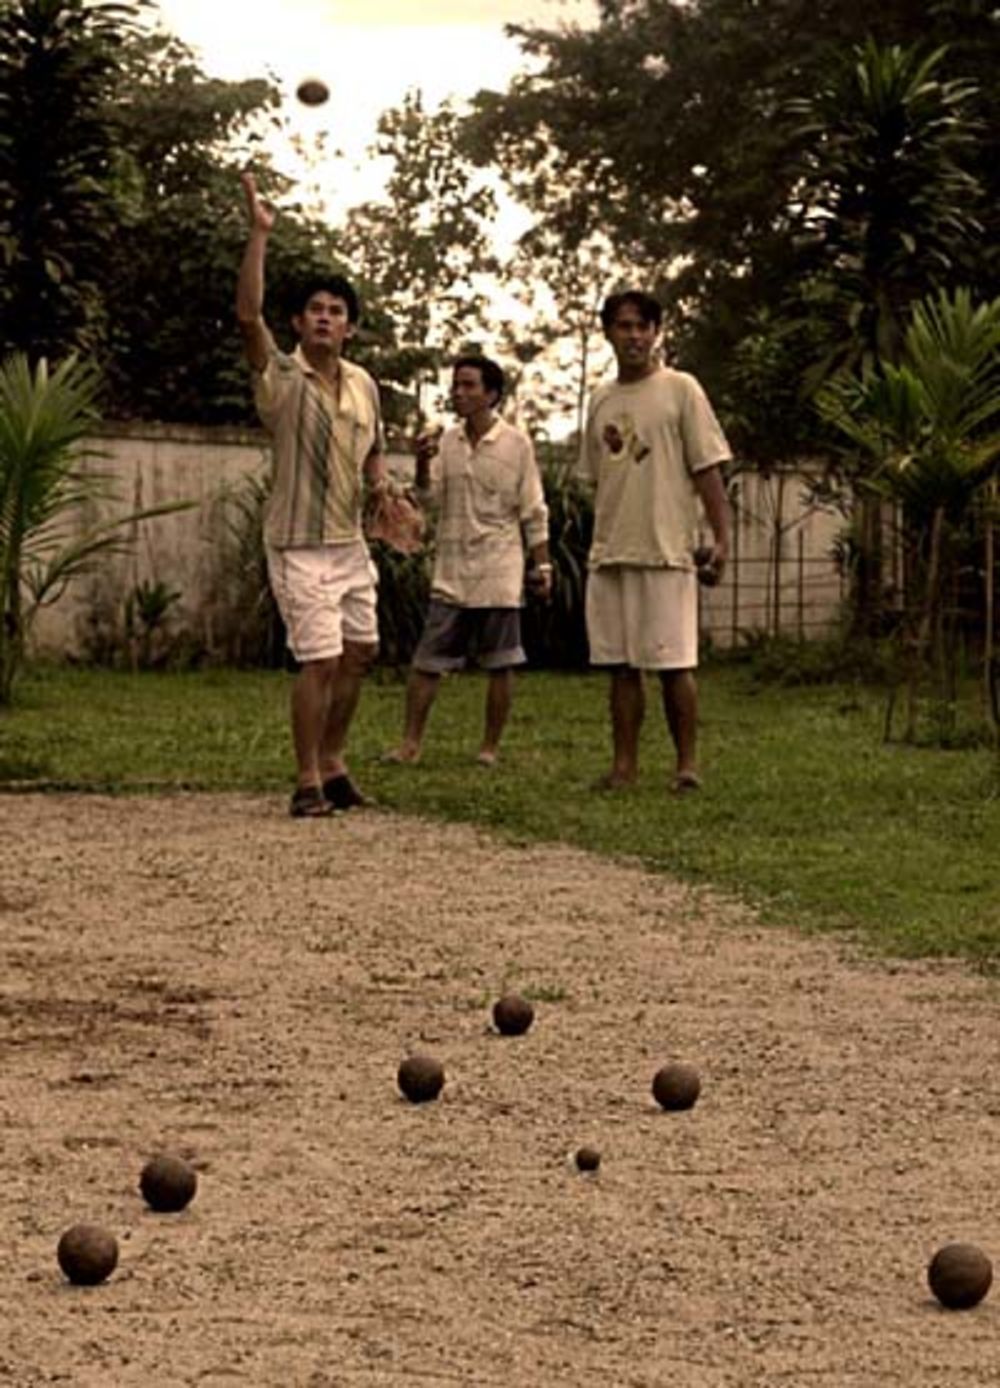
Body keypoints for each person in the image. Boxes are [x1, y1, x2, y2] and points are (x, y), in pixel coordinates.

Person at [236, 170, 391, 818]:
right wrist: (260, 234)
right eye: (315, 311)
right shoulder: (283, 377)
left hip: (348, 544)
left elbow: (376, 450)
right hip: (298, 543)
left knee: (360, 653)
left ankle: (333, 762)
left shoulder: (363, 383)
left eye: (337, 311)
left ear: (348, 326)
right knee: (320, 660)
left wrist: (383, 489)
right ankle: (305, 781)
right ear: (298, 323)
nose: (326, 318)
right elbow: (247, 315)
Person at [582, 289, 732, 793]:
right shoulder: (600, 399)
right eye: (624, 326)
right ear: (608, 332)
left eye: (643, 326)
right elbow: (596, 476)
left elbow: (708, 469)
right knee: (621, 667)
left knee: (674, 665)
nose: (634, 336)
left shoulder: (681, 389)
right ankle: (623, 767)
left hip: (668, 550)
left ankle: (686, 765)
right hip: (611, 550)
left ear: (656, 332)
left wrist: (721, 539)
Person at [385, 354, 552, 766]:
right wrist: (422, 463)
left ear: (491, 394)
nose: (458, 392)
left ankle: (489, 749)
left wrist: (542, 566)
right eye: (455, 385)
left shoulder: (516, 444)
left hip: (500, 569)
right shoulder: (447, 442)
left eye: (468, 385)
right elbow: (428, 498)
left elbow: (533, 509)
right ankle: (410, 745)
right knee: (427, 662)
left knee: (501, 663)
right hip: (452, 569)